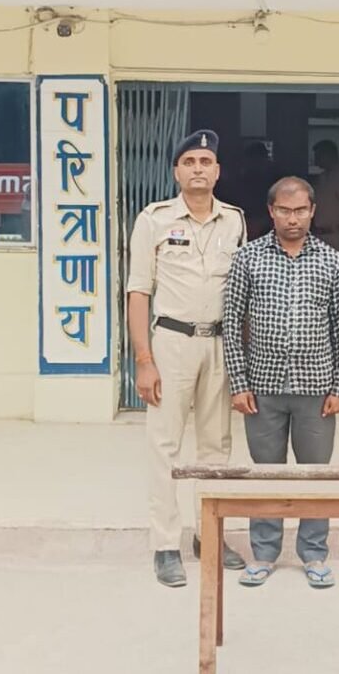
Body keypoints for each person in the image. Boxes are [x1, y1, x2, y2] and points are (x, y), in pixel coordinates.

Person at [126, 129, 247, 588]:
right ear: (177, 172)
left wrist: (242, 357)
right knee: (165, 445)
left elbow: (240, 293)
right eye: (190, 162)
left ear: (217, 171)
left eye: (206, 162)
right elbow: (139, 291)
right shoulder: (154, 219)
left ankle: (209, 535)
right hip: (171, 343)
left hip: (219, 344)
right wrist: (144, 359)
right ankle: (165, 545)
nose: (198, 169)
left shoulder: (234, 221)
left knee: (217, 445)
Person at [222, 176, 339, 589]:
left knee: (315, 474)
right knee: (266, 473)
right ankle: (264, 553)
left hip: (317, 389)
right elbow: (232, 323)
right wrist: (239, 383)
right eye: (284, 210)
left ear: (312, 211)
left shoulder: (331, 261)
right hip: (262, 387)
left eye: (300, 210)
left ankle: (314, 553)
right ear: (271, 211)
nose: (292, 218)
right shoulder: (248, 258)